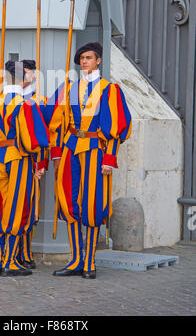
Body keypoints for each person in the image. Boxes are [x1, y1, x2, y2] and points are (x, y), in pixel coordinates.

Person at [47, 42, 132, 279]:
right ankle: (75, 260)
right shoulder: (68, 88)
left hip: (95, 149)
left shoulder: (109, 89)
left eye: (88, 58)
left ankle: (89, 262)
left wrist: (110, 158)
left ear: (98, 61)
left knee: (92, 204)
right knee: (69, 201)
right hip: (70, 148)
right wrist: (55, 152)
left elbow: (116, 127)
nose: (84, 61)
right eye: (82, 58)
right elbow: (53, 120)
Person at [0, 60, 49, 277]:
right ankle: (11, 263)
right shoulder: (26, 105)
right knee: (17, 206)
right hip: (18, 158)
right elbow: (36, 140)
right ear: (24, 79)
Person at [17, 59, 49, 269]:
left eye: (27, 73)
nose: (24, 76)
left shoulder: (41, 101)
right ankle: (14, 252)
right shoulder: (9, 99)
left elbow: (45, 135)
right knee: (13, 206)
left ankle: (26, 251)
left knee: (30, 207)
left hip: (32, 160)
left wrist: (41, 164)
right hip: (13, 160)